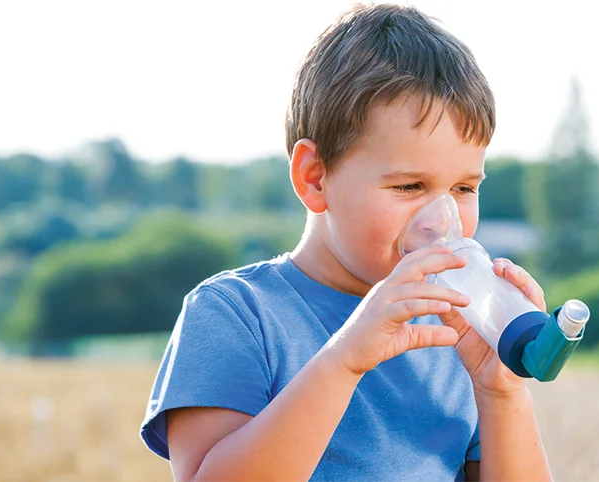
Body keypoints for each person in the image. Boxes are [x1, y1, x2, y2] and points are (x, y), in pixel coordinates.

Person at [138, 4, 554, 481]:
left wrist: (501, 391)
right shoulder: (236, 314)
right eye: (408, 187)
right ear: (315, 178)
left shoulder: (458, 333)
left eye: (463, 189)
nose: (442, 222)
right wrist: (345, 359)